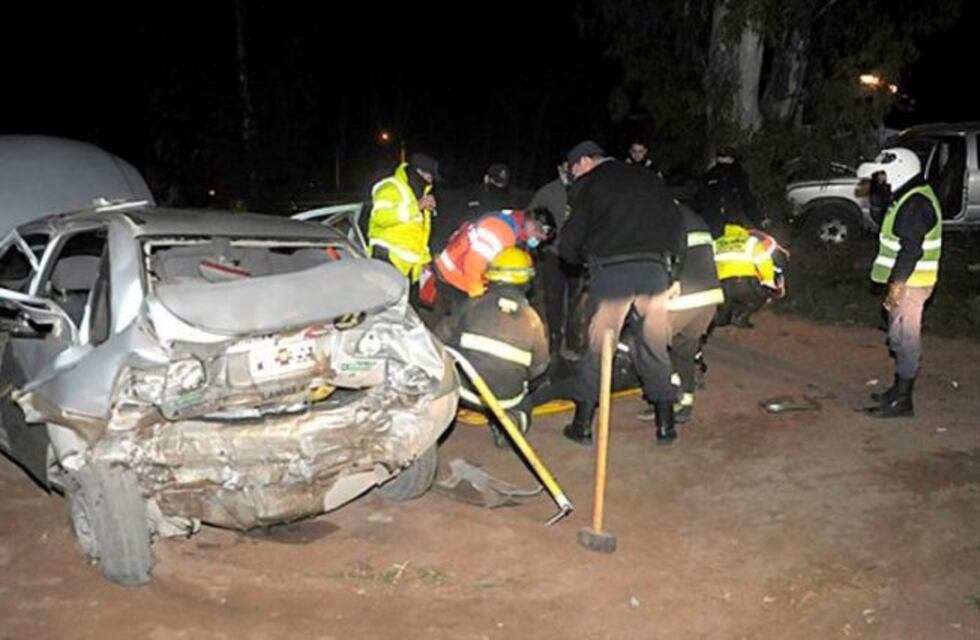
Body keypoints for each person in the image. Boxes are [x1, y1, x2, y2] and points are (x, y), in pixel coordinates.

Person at [559, 139, 686, 446]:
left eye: (574, 169)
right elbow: (676, 224)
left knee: (599, 346)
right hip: (654, 272)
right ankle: (665, 425)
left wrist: (576, 258)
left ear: (585, 162)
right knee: (654, 344)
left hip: (612, 273)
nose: (574, 176)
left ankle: (582, 424)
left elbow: (570, 241)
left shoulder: (590, 184)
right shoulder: (647, 178)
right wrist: (672, 271)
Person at [858, 147, 942, 418]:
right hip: (907, 282)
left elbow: (911, 250)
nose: (880, 179)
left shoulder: (914, 203)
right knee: (897, 336)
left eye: (883, 174)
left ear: (899, 170)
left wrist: (897, 284)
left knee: (906, 340)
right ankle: (898, 391)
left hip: (911, 284)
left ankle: (903, 402)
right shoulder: (908, 196)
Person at [437, 248, 550, 448]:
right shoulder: (533, 320)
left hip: (464, 391)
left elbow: (440, 338)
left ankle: (439, 414)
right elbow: (539, 369)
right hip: (504, 399)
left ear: (491, 277)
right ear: (526, 283)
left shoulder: (472, 305)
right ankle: (512, 424)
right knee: (526, 401)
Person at [635, 204, 724, 424]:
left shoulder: (660, 215)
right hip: (710, 297)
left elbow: (662, 257)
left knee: (647, 345)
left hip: (683, 297)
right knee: (683, 349)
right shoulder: (690, 214)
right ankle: (684, 403)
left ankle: (667, 395)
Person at [432, 208, 555, 316]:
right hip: (457, 277)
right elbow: (474, 265)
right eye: (537, 237)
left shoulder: (514, 223)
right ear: (533, 225)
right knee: (459, 330)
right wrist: (478, 301)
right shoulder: (501, 230)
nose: (535, 241)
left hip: (461, 275)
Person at [526, 161, 577, 355]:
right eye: (565, 167)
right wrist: (539, 241)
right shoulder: (548, 191)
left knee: (576, 301)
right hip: (553, 253)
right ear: (559, 168)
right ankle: (554, 340)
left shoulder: (585, 188)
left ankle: (573, 343)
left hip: (578, 255)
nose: (569, 171)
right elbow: (530, 216)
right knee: (553, 298)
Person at [367, 152, 439, 285]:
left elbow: (421, 235)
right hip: (387, 260)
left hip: (409, 269)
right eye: (430, 176)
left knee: (409, 306)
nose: (431, 181)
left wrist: (424, 260)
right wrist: (416, 206)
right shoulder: (391, 187)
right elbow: (380, 217)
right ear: (419, 172)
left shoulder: (421, 195)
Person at [713, 223, 787, 328]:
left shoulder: (717, 242)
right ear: (743, 230)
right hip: (744, 282)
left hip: (722, 284)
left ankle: (721, 318)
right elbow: (763, 261)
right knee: (762, 295)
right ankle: (741, 316)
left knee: (725, 309)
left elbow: (708, 262)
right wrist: (768, 281)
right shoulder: (751, 242)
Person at [692, 146, 767, 236]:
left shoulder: (738, 177)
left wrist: (760, 220)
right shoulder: (709, 177)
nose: (724, 159)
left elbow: (748, 201)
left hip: (734, 229)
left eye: (726, 156)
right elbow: (698, 202)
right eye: (722, 155)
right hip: (713, 228)